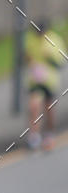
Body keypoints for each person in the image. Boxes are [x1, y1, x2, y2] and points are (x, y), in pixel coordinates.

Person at [25, 20, 66, 151]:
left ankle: (49, 133)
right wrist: (28, 59)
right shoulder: (30, 40)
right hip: (35, 80)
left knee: (48, 109)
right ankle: (34, 136)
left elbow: (60, 62)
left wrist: (49, 58)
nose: (39, 34)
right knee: (34, 105)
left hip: (50, 81)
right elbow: (25, 56)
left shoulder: (54, 40)